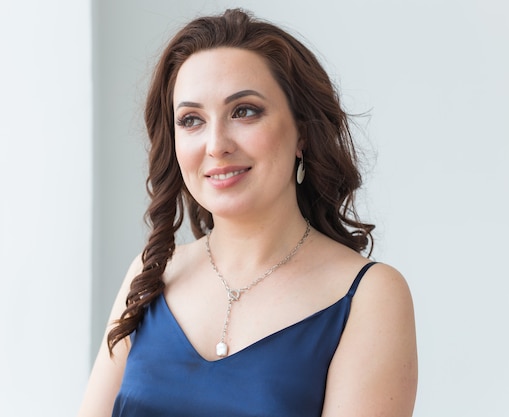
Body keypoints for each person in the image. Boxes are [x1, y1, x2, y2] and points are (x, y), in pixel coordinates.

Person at [78, 8, 418, 417]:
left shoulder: (368, 294)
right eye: (191, 120)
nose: (216, 144)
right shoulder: (151, 275)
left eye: (244, 111)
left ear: (303, 133)